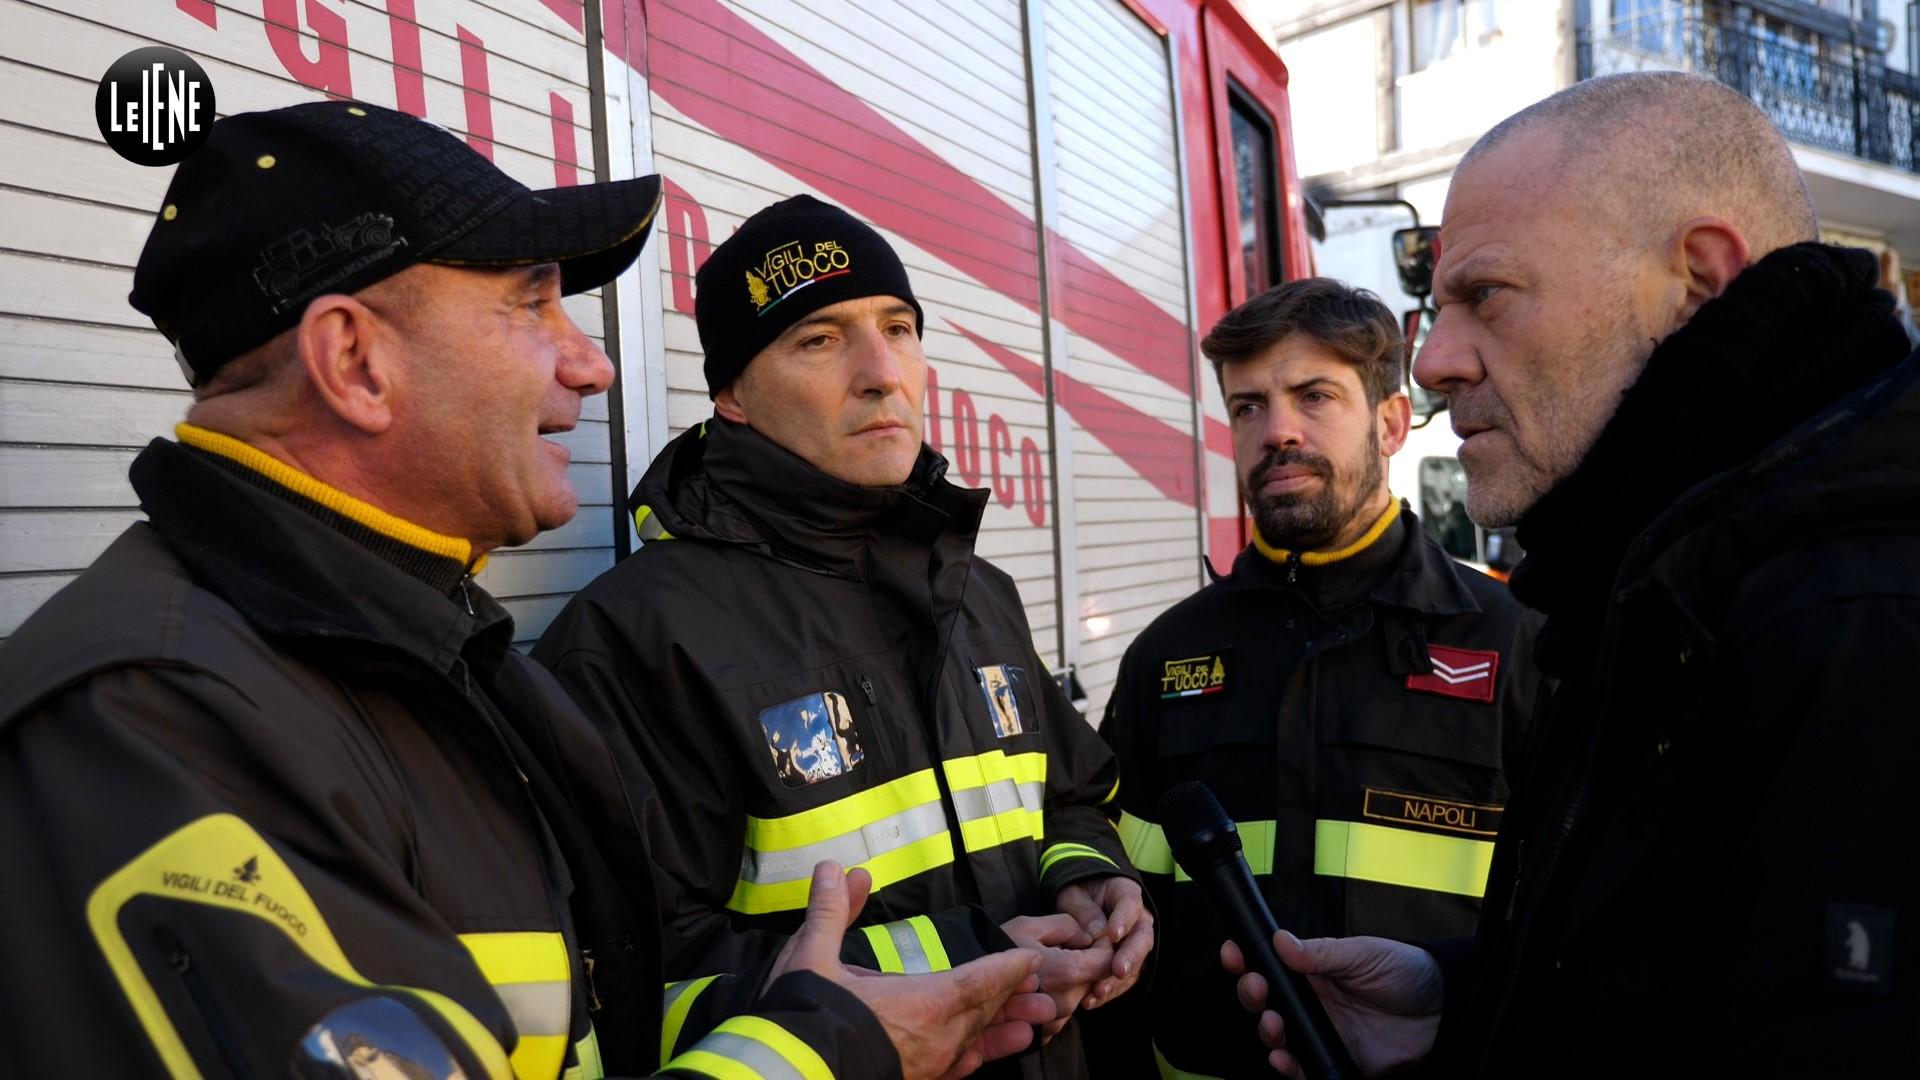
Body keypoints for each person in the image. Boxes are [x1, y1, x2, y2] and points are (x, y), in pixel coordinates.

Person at [0, 102, 1051, 1079]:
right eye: (532, 303)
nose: (591, 366)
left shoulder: (430, 653)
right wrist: (831, 1052)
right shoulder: (156, 718)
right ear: (354, 361)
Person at [1226, 71, 1920, 1077]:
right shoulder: (1650, 589)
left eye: (1485, 297)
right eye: (1436, 303)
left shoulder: (1860, 625)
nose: (1433, 363)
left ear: (1700, 283)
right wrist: (1461, 1005)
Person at [532, 195, 1151, 1077]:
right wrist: (964, 960)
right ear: (733, 396)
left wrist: (1086, 875)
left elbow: (1072, 795)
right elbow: (634, 982)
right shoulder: (635, 640)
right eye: (819, 339)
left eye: (898, 328)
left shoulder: (979, 593)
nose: (880, 372)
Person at [1088, 279, 1544, 1077]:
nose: (1277, 432)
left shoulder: (1517, 644)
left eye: (1314, 396)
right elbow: (1118, 924)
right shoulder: (1167, 659)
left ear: (1392, 422)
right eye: (1248, 408)